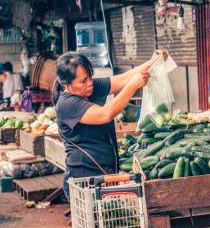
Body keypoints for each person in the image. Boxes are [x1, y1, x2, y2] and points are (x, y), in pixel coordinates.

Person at [54, 50, 166, 198]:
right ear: (66, 83)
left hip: (104, 177)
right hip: (84, 181)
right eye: (83, 81)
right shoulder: (67, 103)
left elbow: (124, 78)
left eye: (90, 78)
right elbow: (105, 114)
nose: (89, 84)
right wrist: (133, 86)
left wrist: (153, 62)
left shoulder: (90, 87)